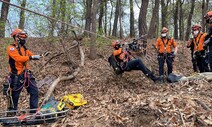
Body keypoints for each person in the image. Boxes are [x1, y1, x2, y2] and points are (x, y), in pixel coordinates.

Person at [7, 28, 44, 111]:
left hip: (26, 74)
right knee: (14, 96)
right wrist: (31, 57)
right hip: (16, 75)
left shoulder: (24, 48)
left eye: (24, 38)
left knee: (34, 91)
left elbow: (31, 55)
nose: (24, 39)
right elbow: (19, 58)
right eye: (22, 37)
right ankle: (12, 114)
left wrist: (41, 55)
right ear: (16, 38)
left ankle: (33, 111)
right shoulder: (11, 48)